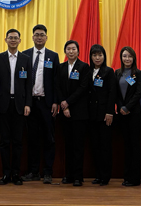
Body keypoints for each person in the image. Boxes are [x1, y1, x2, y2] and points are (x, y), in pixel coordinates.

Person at [0, 28, 32, 186]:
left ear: (20, 41)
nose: (13, 40)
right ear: (6, 40)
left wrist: (28, 103)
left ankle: (16, 174)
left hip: (20, 105)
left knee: (18, 142)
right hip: (3, 104)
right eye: (10, 38)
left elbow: (28, 84)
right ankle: (5, 174)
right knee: (4, 141)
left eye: (16, 38)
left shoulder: (25, 59)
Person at [20, 24, 59, 184]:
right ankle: (33, 171)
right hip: (30, 103)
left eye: (42, 35)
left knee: (49, 138)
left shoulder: (53, 56)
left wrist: (55, 101)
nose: (39, 37)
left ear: (46, 37)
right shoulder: (25, 55)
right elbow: (21, 79)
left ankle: (48, 172)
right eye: (36, 34)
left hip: (46, 103)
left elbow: (56, 81)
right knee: (32, 139)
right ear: (32, 37)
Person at [56, 40, 90, 186]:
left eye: (73, 49)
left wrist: (68, 102)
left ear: (78, 51)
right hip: (65, 112)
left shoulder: (84, 67)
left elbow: (83, 88)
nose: (71, 51)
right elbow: (57, 87)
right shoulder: (60, 67)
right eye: (68, 49)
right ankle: (68, 175)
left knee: (78, 145)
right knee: (68, 145)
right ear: (65, 51)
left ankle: (78, 176)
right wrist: (64, 105)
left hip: (79, 112)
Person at [115, 46, 141, 186]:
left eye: (130, 56)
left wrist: (127, 107)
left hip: (134, 114)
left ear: (134, 58)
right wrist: (121, 106)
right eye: (125, 56)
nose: (127, 59)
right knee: (126, 145)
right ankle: (126, 177)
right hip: (122, 114)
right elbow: (116, 93)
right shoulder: (117, 73)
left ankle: (135, 178)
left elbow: (138, 93)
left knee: (134, 145)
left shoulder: (138, 73)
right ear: (121, 58)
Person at [87, 44, 116, 186]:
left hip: (104, 115)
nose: (97, 58)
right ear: (91, 57)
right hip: (91, 115)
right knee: (95, 146)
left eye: (100, 55)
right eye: (94, 55)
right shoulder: (87, 71)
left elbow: (112, 93)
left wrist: (110, 112)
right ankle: (98, 175)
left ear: (104, 56)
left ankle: (105, 176)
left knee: (105, 146)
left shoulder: (109, 72)